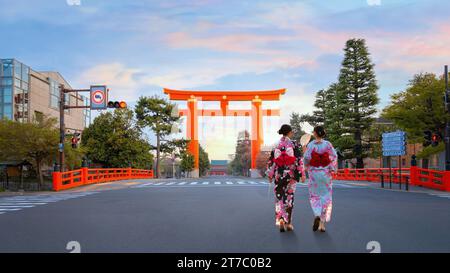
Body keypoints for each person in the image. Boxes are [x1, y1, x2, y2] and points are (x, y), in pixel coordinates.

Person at [267, 124, 305, 232]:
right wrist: (302, 174)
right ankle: (288, 223)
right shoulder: (294, 145)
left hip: (279, 175)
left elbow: (271, 162)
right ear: (290, 132)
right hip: (291, 175)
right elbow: (299, 160)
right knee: (289, 197)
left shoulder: (276, 146)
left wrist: (270, 175)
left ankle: (280, 221)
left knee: (279, 198)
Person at [303, 126, 337, 232]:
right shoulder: (328, 144)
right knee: (326, 197)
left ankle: (317, 214)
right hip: (325, 174)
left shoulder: (311, 145)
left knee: (315, 196)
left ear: (315, 133)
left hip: (314, 174)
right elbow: (334, 156)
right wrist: (332, 168)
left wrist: (305, 166)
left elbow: (307, 158)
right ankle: (322, 224)